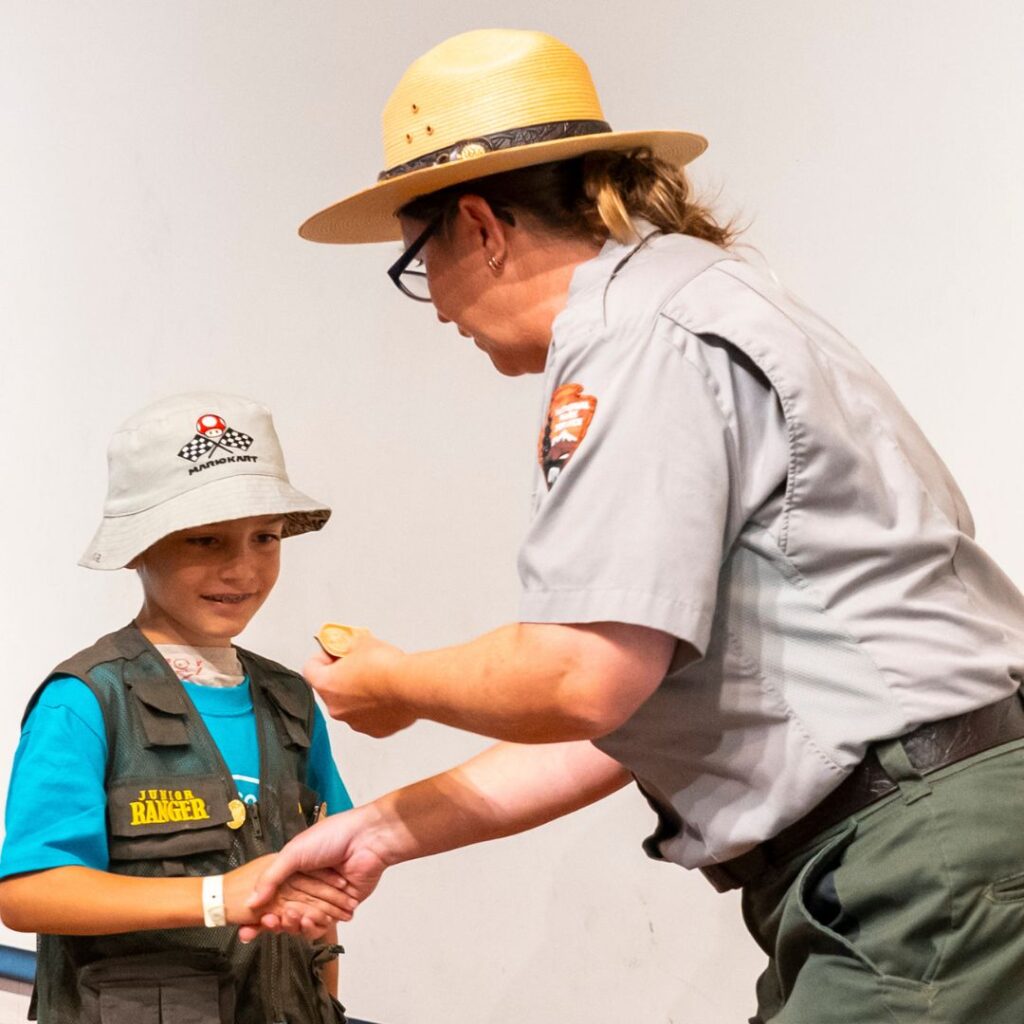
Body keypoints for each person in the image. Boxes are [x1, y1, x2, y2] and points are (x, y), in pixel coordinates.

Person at [249, 29, 1024, 1023]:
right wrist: (384, 829)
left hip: (915, 864)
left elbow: (581, 679)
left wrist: (395, 681)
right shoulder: (708, 299)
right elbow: (622, 712)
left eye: (415, 256)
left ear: (480, 226)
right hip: (921, 847)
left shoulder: (634, 341)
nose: (433, 303)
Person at [0, 392, 352, 1024]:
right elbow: (31, 894)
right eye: (206, 540)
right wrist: (217, 897)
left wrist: (325, 995)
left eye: (266, 537)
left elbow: (319, 897)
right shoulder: (85, 702)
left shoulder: (291, 703)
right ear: (137, 547)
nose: (243, 568)